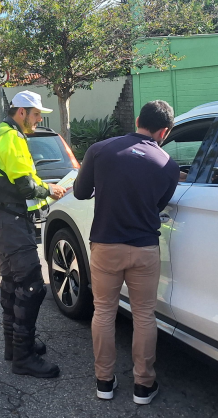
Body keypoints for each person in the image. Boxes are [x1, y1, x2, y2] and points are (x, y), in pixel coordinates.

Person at [73, 100, 180, 405]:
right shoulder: (168, 166)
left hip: (106, 245)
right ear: (164, 131)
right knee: (144, 314)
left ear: (136, 120)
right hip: (144, 248)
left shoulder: (100, 150)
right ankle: (143, 386)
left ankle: (104, 382)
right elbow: (157, 205)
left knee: (104, 311)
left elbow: (80, 192)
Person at [0, 90, 66, 378]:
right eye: (36, 114)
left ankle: (15, 346)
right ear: (21, 112)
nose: (38, 120)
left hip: (2, 218)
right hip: (10, 219)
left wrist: (45, 190)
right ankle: (23, 358)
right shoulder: (11, 138)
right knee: (32, 286)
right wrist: (52, 190)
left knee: (12, 282)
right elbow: (25, 186)